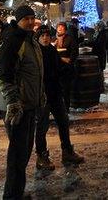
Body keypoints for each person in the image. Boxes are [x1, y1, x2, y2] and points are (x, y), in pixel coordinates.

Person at [0, 5, 45, 200]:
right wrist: (13, 103)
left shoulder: (30, 40)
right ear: (18, 20)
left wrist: (40, 95)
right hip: (19, 107)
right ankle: (12, 196)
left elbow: (35, 72)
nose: (31, 21)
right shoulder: (14, 41)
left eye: (33, 18)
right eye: (26, 18)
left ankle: (17, 192)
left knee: (24, 153)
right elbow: (3, 75)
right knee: (17, 156)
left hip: (30, 104)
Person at [34, 25, 84, 171]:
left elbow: (59, 68)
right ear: (38, 38)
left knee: (63, 121)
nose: (45, 38)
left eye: (47, 35)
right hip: (43, 95)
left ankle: (67, 151)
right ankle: (41, 156)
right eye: (42, 35)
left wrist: (69, 70)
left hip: (55, 93)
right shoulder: (36, 53)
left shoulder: (51, 50)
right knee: (42, 126)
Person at [55, 22, 77, 109]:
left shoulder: (70, 39)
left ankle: (66, 108)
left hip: (66, 67)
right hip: (56, 67)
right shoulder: (53, 39)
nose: (60, 29)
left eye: (62, 27)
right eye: (58, 27)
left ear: (65, 29)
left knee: (66, 89)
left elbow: (74, 52)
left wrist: (69, 60)